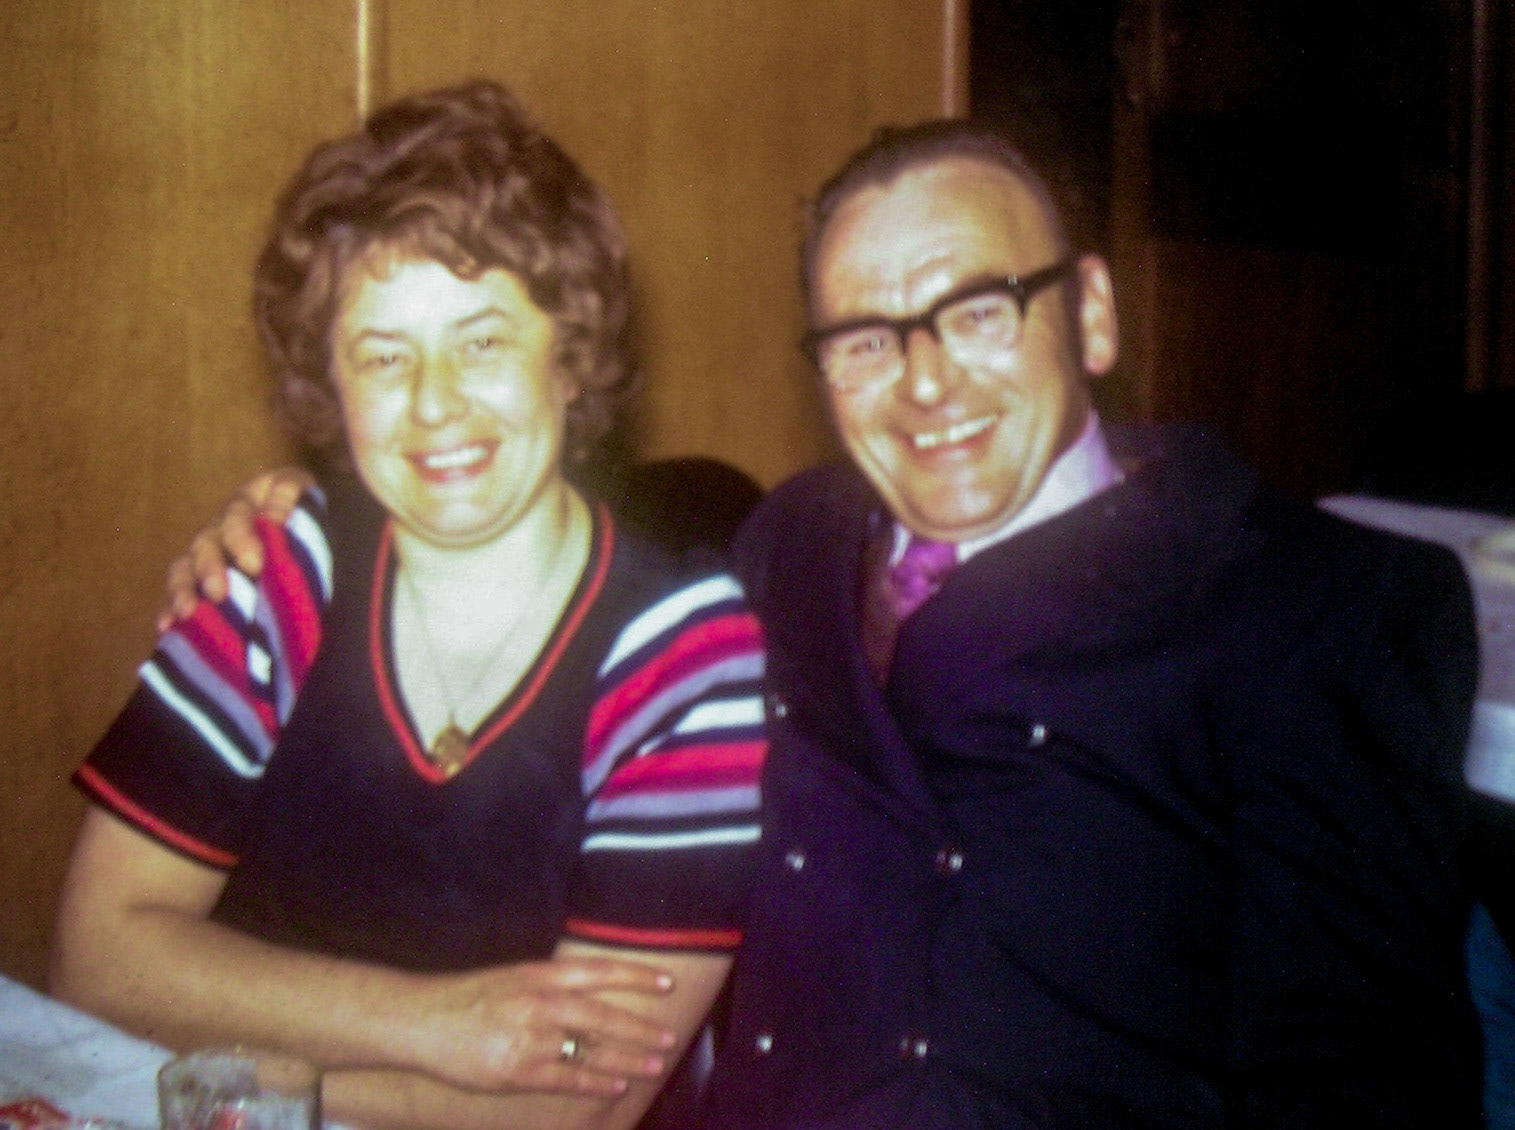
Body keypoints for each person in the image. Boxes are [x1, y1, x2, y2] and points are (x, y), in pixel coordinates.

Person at [158, 119, 1482, 1127]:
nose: (919, 381)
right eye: (859, 337)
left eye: (974, 311)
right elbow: (529, 559)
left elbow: (1359, 1087)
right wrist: (305, 524)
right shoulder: (782, 547)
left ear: (1087, 312)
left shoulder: (1313, 609)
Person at [49, 80, 766, 1130]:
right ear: (330, 388)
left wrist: (247, 1072)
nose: (433, 402)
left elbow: (574, 1107)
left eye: (481, 341)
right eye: (383, 355)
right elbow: (96, 957)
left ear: (569, 357)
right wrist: (450, 1026)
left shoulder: (685, 651)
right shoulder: (275, 570)